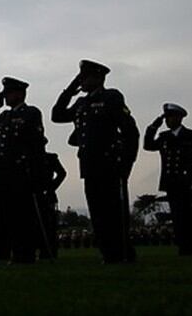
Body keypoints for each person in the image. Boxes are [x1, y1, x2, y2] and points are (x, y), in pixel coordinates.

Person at [51, 60, 140, 263]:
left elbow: (130, 132)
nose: (83, 81)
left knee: (114, 212)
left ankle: (124, 252)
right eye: (81, 77)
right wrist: (72, 87)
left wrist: (127, 163)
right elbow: (56, 115)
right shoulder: (81, 103)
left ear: (98, 78)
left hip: (110, 164)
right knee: (97, 212)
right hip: (89, 165)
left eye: (86, 77)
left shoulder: (111, 97)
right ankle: (108, 253)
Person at [0, 76, 47, 263]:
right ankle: (17, 253)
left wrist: (36, 171)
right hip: (4, 171)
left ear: (19, 93)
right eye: (5, 94)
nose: (6, 97)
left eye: (8, 93)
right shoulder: (4, 116)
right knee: (9, 216)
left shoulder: (31, 113)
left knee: (23, 215)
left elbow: (36, 144)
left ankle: (26, 253)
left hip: (21, 171)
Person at [143, 103, 192, 256]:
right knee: (178, 217)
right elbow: (147, 145)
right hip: (171, 182)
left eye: (171, 117)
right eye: (166, 117)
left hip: (188, 182)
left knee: (191, 217)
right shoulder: (164, 137)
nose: (168, 120)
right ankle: (183, 248)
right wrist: (154, 125)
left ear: (179, 118)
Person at [38, 152, 67, 259]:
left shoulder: (50, 158)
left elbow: (62, 173)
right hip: (34, 193)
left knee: (49, 225)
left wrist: (51, 187)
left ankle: (49, 252)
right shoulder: (29, 157)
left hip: (47, 195)